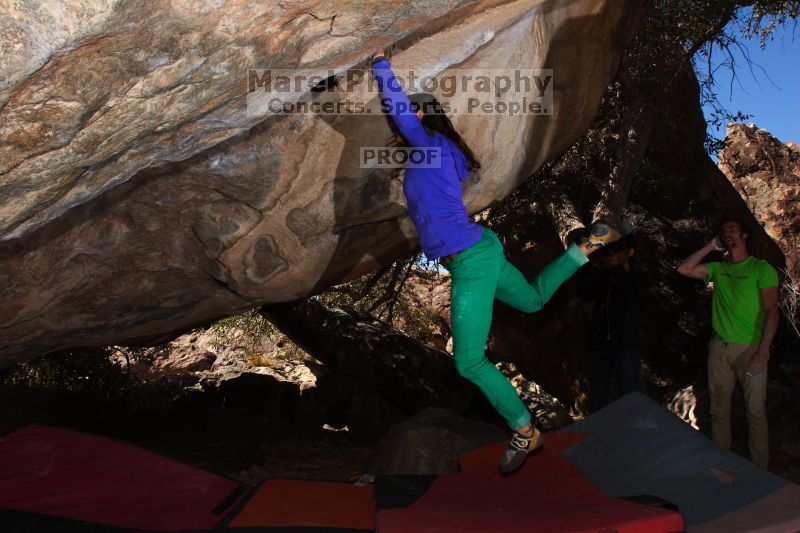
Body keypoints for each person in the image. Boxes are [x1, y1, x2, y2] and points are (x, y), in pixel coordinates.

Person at [369, 51, 632, 472]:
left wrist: (380, 66)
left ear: (419, 114)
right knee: (530, 302)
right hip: (480, 249)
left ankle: (524, 430)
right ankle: (582, 249)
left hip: (470, 259)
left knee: (469, 361)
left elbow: (401, 113)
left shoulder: (428, 145)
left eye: (408, 115)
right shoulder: (445, 154)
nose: (397, 126)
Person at [676, 217, 779, 469]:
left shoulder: (761, 268)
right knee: (718, 410)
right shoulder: (718, 269)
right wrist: (711, 245)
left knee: (754, 411)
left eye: (733, 229)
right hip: (719, 348)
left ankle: (759, 469)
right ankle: (724, 466)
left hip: (751, 348)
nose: (728, 233)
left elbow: (772, 312)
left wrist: (763, 351)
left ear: (744, 235)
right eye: (724, 231)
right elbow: (684, 269)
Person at [577, 234, 642, 412]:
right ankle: (599, 435)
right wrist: (592, 265)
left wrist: (619, 269)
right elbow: (585, 293)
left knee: (630, 394)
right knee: (598, 395)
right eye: (610, 250)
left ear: (630, 252)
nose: (612, 254)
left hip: (627, 343)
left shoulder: (638, 276)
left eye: (618, 250)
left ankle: (631, 433)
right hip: (601, 343)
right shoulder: (603, 275)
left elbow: (631, 298)